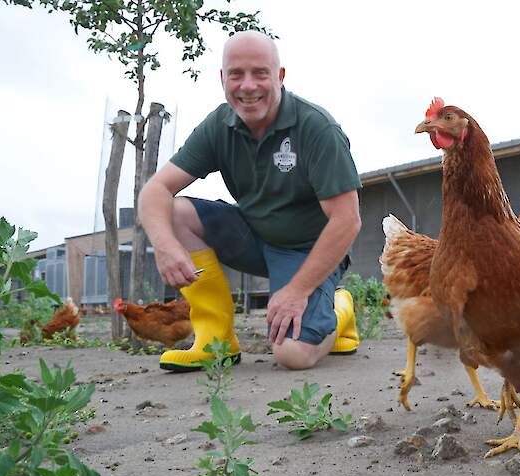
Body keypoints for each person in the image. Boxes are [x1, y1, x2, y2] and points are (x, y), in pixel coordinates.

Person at [139, 30, 362, 372]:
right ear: (222, 78)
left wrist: (298, 290)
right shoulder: (219, 124)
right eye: (236, 74)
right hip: (254, 236)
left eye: (260, 73)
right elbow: (155, 190)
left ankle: (339, 309)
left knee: (293, 354)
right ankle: (216, 342)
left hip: (307, 251)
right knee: (174, 213)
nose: (247, 86)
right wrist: (164, 244)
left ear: (280, 76)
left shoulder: (317, 128)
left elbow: (347, 220)